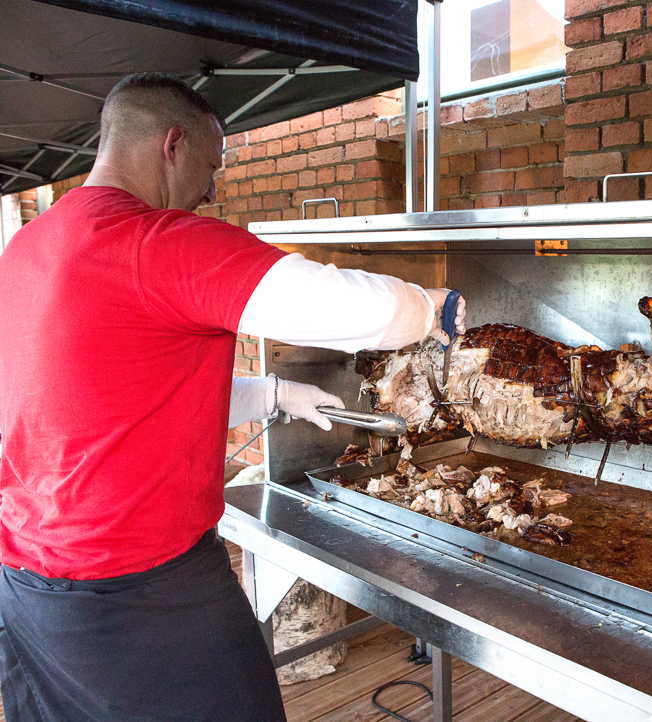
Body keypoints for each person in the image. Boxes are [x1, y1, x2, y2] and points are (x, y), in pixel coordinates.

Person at [0, 72, 465, 722]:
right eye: (212, 166)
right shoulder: (155, 244)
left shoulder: (27, 249)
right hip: (142, 595)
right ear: (172, 145)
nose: (212, 189)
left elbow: (110, 403)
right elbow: (343, 304)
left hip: (28, 591)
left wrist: (272, 393)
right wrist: (435, 309)